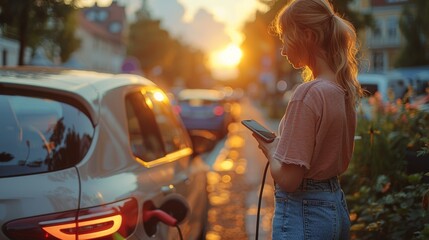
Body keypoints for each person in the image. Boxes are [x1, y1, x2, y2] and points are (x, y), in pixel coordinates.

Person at [252, 0, 363, 239]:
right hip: (334, 206)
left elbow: (290, 180)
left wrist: (272, 151)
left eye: (285, 38)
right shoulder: (342, 90)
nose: (282, 49)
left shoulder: (308, 93)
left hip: (304, 214)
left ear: (308, 36)